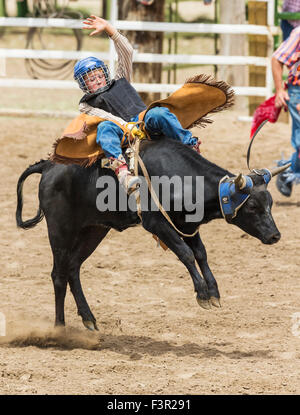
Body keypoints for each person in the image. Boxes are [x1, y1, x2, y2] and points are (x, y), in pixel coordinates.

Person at [74, 15, 199, 193]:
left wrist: (109, 29)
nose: (98, 80)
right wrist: (127, 127)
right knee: (105, 129)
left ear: (105, 72)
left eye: (99, 75)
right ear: (84, 85)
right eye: (91, 79)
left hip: (142, 121)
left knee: (159, 113)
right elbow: (105, 116)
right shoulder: (86, 105)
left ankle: (190, 147)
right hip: (121, 131)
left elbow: (127, 51)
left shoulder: (121, 79)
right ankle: (123, 173)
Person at [271, 26, 300, 196]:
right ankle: (288, 170)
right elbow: (277, 58)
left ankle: (287, 168)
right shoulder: (298, 34)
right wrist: (279, 90)